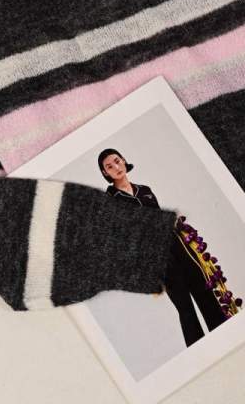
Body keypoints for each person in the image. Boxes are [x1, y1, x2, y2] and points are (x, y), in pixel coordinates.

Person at [97, 147, 228, 347]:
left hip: (178, 247)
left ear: (123, 160)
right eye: (109, 166)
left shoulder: (145, 190)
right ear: (105, 173)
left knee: (204, 291)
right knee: (185, 307)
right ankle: (202, 350)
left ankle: (227, 334)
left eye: (117, 161)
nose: (116, 167)